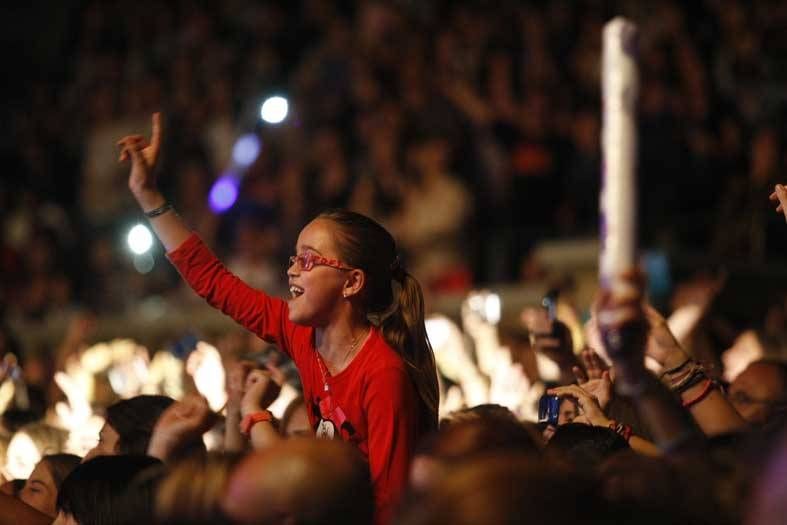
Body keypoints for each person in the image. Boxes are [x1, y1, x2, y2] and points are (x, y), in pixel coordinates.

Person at [117, 114, 439, 523]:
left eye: (308, 259)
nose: (291, 270)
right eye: (293, 257)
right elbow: (212, 280)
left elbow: (392, 506)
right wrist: (147, 194)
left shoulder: (382, 374)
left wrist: (255, 415)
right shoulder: (302, 334)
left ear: (352, 282)